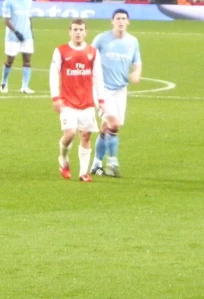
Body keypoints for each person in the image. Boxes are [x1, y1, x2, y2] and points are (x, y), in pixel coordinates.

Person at [49, 19, 106, 182]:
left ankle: (83, 173)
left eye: (81, 29)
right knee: (70, 133)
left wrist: (101, 100)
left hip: (87, 102)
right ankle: (63, 159)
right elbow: (53, 74)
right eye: (75, 29)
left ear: (85, 32)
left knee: (86, 136)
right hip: (67, 102)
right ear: (70, 32)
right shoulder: (61, 51)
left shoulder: (93, 52)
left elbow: (98, 77)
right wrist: (55, 97)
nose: (78, 32)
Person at [89, 9, 143, 178]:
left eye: (123, 18)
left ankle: (96, 165)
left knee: (106, 128)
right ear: (112, 21)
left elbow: (137, 62)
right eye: (118, 18)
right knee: (114, 124)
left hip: (121, 90)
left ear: (128, 22)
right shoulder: (101, 39)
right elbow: (87, 58)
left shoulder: (133, 42)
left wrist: (136, 73)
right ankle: (113, 162)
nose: (120, 21)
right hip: (102, 89)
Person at [0, 0, 34, 94]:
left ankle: (25, 87)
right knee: (10, 60)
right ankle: (4, 82)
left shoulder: (28, 1)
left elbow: (29, 17)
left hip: (27, 36)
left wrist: (31, 32)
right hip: (12, 37)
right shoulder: (9, 2)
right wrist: (16, 32)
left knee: (27, 60)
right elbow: (6, 20)